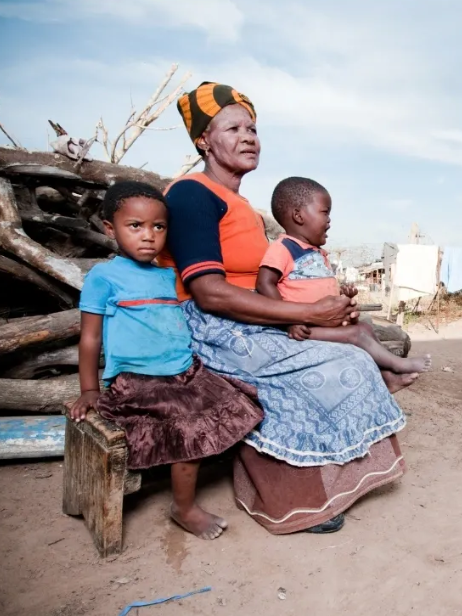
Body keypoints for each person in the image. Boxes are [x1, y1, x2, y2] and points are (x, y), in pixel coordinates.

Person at [157, 82, 410, 535]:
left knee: (352, 349)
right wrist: (307, 315)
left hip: (246, 319)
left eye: (252, 128)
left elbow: (270, 283)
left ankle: (333, 480)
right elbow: (209, 293)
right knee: (333, 366)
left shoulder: (244, 209)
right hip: (210, 327)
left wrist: (324, 308)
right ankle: (290, 500)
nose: (248, 137)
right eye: (233, 128)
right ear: (204, 140)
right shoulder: (191, 194)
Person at [68, 181, 264, 540]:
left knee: (240, 400)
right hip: (138, 380)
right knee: (188, 428)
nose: (149, 236)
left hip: (184, 372)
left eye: (158, 227)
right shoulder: (103, 277)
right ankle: (183, 508)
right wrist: (89, 389)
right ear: (110, 229)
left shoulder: (165, 275)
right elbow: (90, 338)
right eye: (135, 226)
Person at [256, 176, 432, 376]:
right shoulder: (283, 248)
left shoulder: (317, 253)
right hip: (303, 329)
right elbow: (264, 283)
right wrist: (289, 321)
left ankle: (382, 371)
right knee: (357, 334)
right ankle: (397, 365)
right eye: (325, 212)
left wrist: (344, 298)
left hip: (322, 323)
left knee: (365, 328)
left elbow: (315, 290)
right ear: (298, 216)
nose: (329, 221)